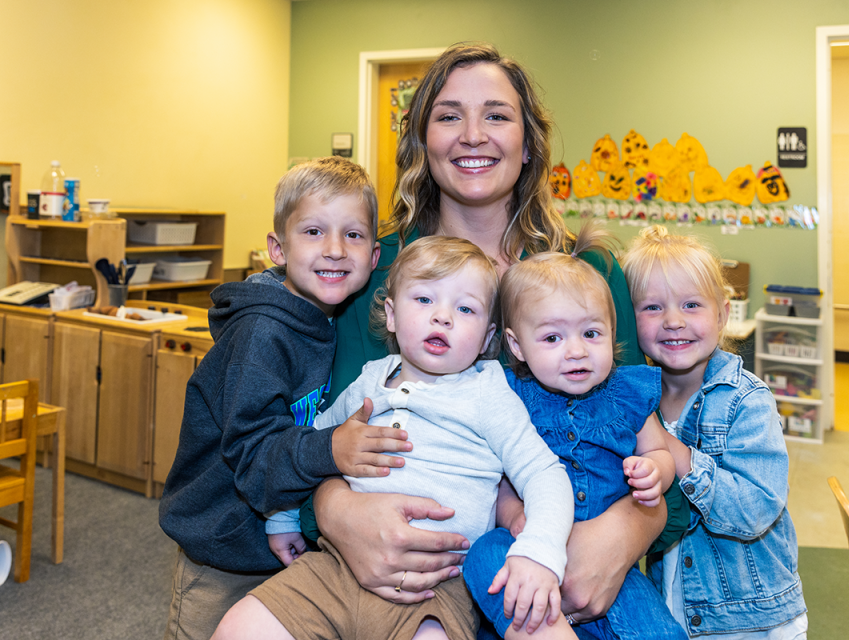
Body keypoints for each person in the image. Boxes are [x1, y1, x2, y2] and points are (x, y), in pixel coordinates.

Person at [300, 43, 689, 630]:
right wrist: (333, 513)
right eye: (449, 115)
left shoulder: (592, 277)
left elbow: (670, 454)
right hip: (416, 596)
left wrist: (629, 532)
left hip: (586, 601)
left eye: (497, 116)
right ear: (421, 142)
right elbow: (315, 435)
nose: (473, 135)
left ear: (528, 143)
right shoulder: (374, 273)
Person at [214, 236, 575, 640]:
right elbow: (312, 444)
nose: (443, 317)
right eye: (424, 300)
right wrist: (281, 513)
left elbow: (543, 473)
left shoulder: (487, 393)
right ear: (390, 314)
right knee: (237, 628)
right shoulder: (370, 378)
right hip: (335, 567)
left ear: (488, 337)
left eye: (465, 308)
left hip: (434, 588)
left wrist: (541, 553)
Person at [158, 157, 384, 640]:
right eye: (313, 232)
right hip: (223, 551)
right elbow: (254, 451)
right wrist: (331, 449)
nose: (335, 250)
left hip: (283, 545)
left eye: (354, 235)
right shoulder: (263, 332)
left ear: (375, 256)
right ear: (278, 249)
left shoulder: (330, 318)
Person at [463, 227, 688, 640]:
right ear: (516, 345)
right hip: (530, 548)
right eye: (552, 337)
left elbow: (661, 451)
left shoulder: (626, 394)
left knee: (655, 628)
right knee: (484, 558)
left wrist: (654, 470)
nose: (577, 350)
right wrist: (516, 518)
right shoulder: (507, 397)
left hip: (608, 561)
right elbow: (495, 476)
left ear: (611, 332)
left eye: (591, 333)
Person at [622, 226, 808, 638]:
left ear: (722, 314)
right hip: (675, 611)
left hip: (752, 619)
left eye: (691, 305)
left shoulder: (747, 401)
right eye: (652, 307)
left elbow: (757, 508)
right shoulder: (636, 401)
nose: (673, 321)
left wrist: (673, 452)